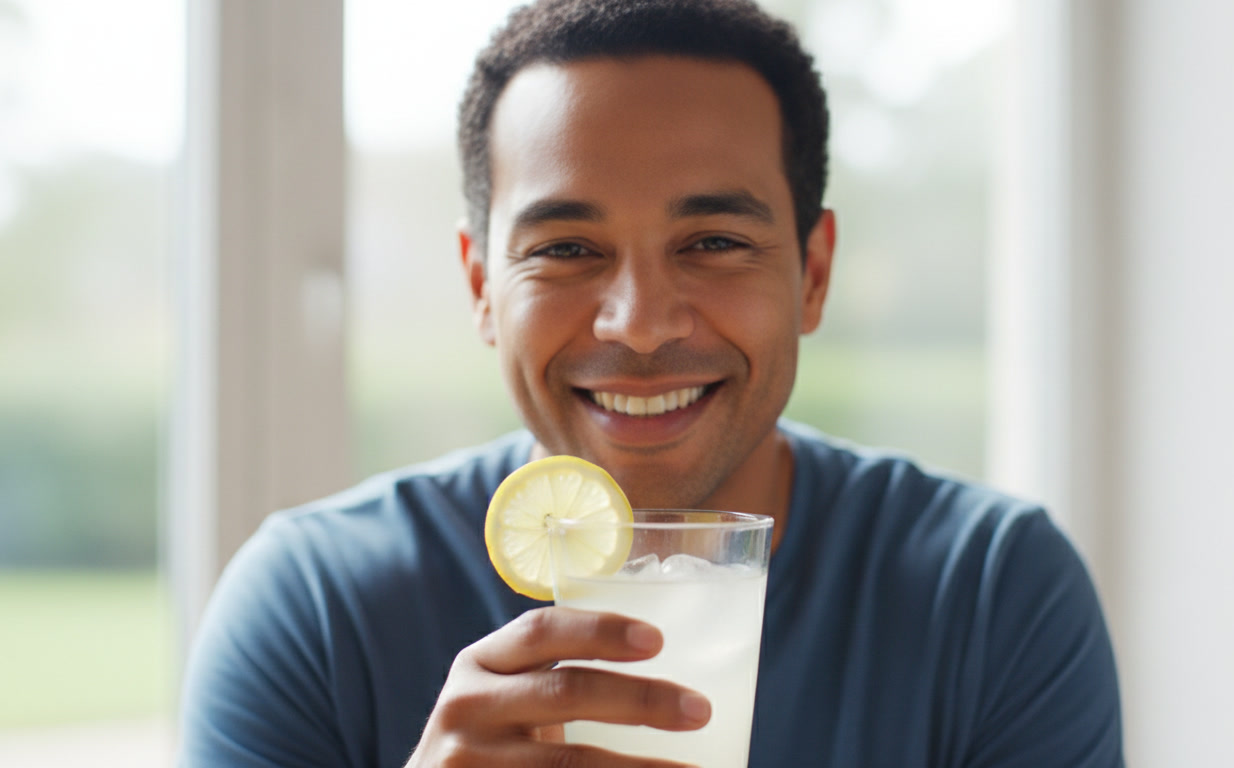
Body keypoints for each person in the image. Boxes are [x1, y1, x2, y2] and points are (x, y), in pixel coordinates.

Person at [179, 0, 1125, 766]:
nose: (637, 321)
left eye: (712, 243)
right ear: (482, 288)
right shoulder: (314, 611)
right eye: (567, 249)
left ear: (814, 273)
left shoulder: (993, 593)